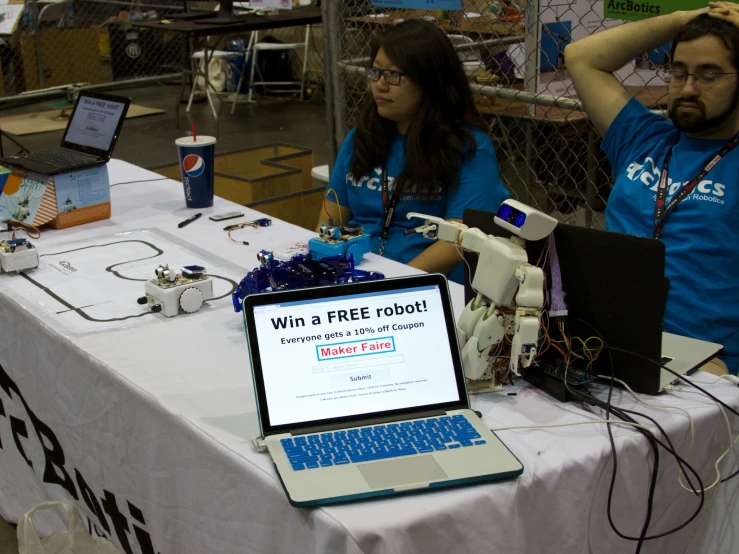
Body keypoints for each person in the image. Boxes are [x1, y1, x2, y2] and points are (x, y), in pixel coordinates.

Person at [564, 3, 739, 375]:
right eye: (678, 72)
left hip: (707, 364)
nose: (688, 88)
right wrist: (682, 19)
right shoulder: (643, 137)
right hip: (607, 344)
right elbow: (581, 57)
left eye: (709, 75)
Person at [317, 19, 509, 283]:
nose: (379, 85)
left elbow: (460, 238)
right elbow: (331, 218)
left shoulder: (468, 147)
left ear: (430, 81)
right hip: (355, 274)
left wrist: (396, 282)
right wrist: (322, 264)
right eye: (375, 72)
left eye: (393, 75)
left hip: (424, 282)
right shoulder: (361, 137)